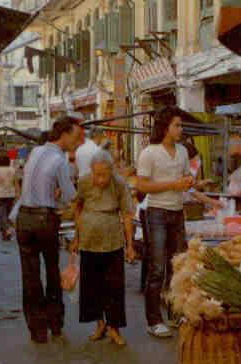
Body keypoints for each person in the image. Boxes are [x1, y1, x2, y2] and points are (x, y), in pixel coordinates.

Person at [15, 115, 83, 343]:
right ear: (64, 135)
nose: (76, 142)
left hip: (24, 218)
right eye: (75, 137)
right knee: (52, 272)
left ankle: (37, 330)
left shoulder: (36, 152)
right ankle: (55, 323)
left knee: (30, 276)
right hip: (45, 219)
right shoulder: (60, 160)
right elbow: (70, 195)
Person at [136, 106, 194, 339]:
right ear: (165, 128)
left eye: (181, 125)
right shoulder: (149, 153)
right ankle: (154, 320)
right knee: (157, 268)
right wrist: (173, 185)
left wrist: (190, 182)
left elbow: (187, 178)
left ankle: (174, 314)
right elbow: (141, 185)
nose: (180, 129)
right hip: (157, 213)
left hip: (177, 212)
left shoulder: (182, 152)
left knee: (177, 267)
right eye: (177, 125)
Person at [71, 150, 135, 346]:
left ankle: (114, 327)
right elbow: (78, 207)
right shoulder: (84, 182)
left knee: (114, 286)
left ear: (111, 170)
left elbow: (126, 215)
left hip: (113, 240)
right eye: (96, 174)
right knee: (91, 285)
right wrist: (76, 236)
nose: (100, 179)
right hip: (89, 239)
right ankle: (99, 324)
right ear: (91, 171)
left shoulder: (120, 184)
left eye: (104, 174)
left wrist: (130, 245)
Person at [0, 154, 17, 240]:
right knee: (7, 213)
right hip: (10, 193)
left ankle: (6, 230)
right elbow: (15, 182)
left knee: (1, 213)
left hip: (0, 193)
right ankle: (5, 232)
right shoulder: (13, 170)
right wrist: (18, 193)